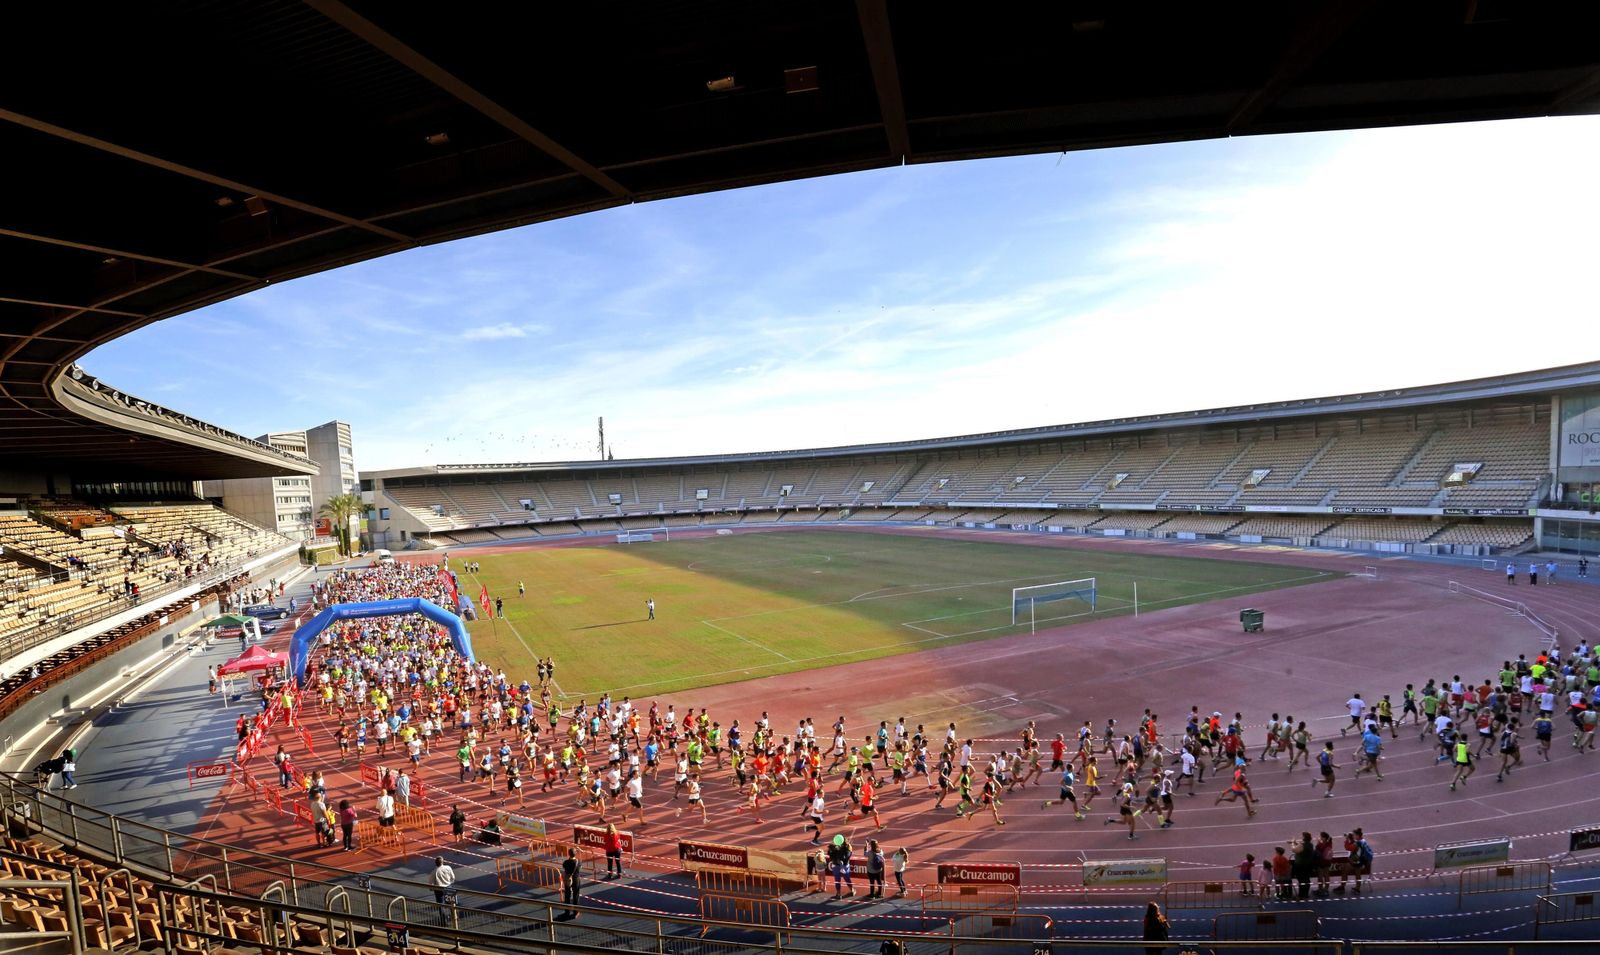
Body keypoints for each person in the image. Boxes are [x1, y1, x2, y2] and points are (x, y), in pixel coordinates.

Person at [560, 847, 581, 918]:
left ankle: (567, 912)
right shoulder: (579, 862)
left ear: (569, 854)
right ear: (575, 854)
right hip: (576, 880)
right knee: (576, 896)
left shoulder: (566, 862)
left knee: (567, 896)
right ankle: (576, 912)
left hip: (568, 880)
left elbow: (564, 866)